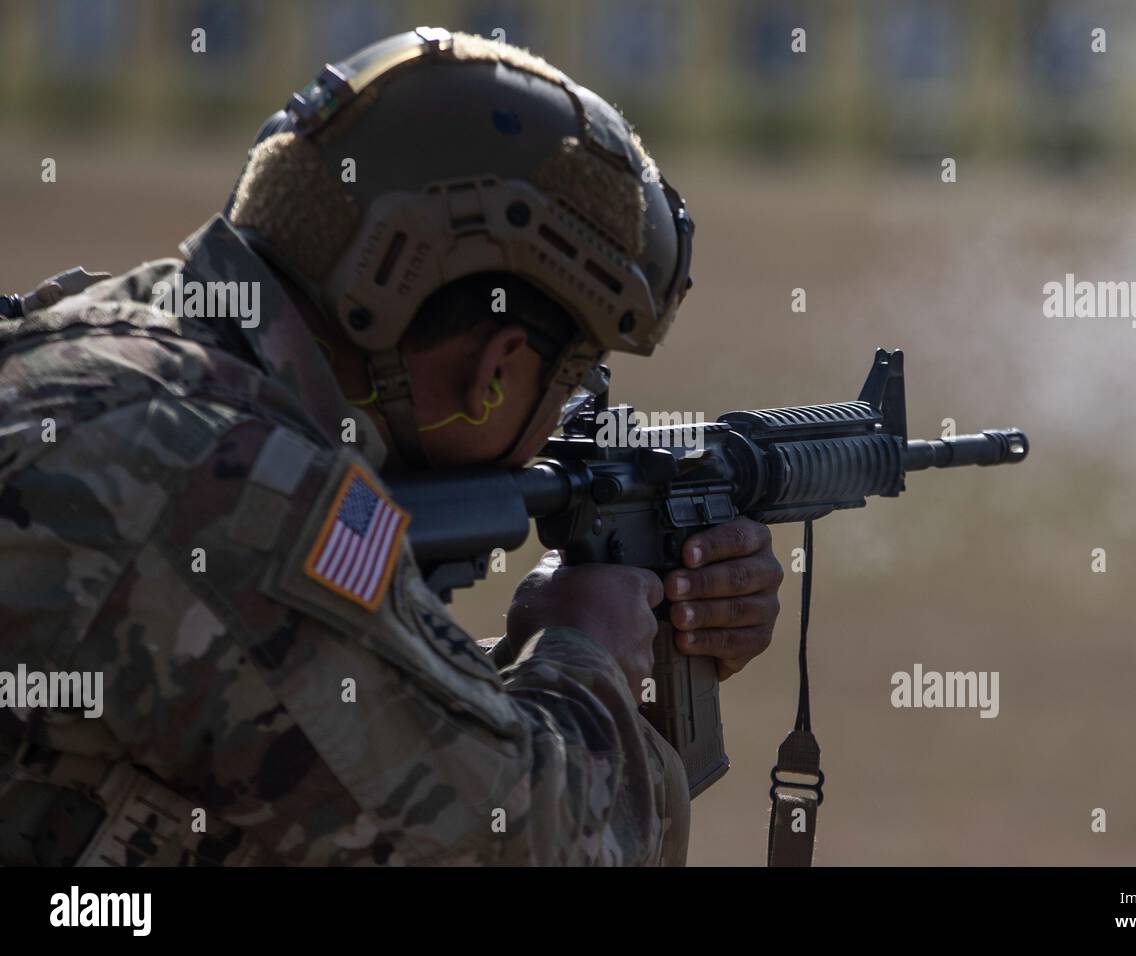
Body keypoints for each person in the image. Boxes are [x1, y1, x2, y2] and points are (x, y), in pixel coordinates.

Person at [0, 28, 783, 866]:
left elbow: (307, 727)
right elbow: (530, 844)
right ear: (497, 369)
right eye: (574, 373)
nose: (567, 414)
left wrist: (601, 657)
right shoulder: (222, 485)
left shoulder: (101, 351)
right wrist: (589, 658)